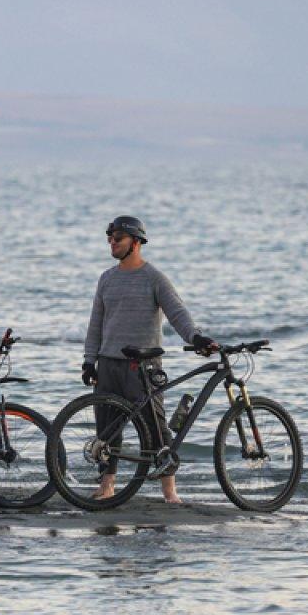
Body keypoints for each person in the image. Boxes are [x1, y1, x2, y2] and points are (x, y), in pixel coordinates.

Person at [81, 215, 218, 504]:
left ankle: (170, 493)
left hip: (142, 366)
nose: (112, 243)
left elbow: (177, 313)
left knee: (156, 428)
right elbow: (96, 323)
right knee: (106, 432)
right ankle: (107, 487)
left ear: (136, 242)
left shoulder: (153, 278)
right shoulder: (106, 278)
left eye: (117, 238)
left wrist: (195, 338)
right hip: (108, 363)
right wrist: (89, 360)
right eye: (109, 238)